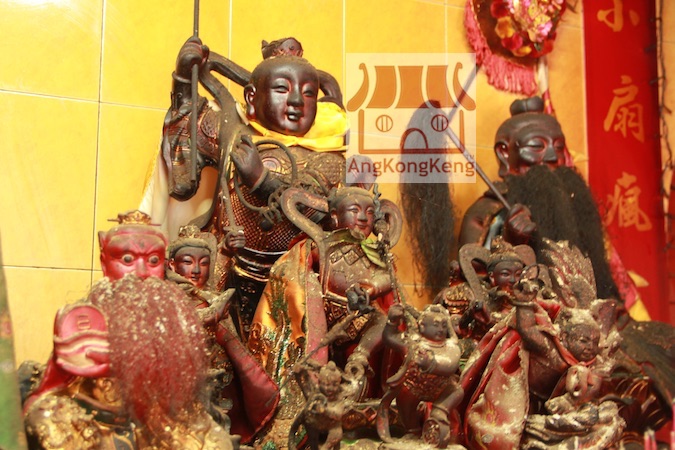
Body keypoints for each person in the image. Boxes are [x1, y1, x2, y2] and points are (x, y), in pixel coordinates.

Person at [142, 37, 349, 341]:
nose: (296, 101)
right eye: (282, 89)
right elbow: (187, 123)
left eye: (308, 93)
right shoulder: (233, 134)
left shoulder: (329, 159)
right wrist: (184, 78)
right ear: (252, 98)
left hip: (292, 285)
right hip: (227, 268)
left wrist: (261, 180)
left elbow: (319, 211)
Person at [377, 304, 463, 448]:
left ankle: (440, 411)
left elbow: (451, 365)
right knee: (404, 399)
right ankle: (412, 430)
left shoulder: (451, 346)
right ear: (422, 326)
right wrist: (392, 321)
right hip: (414, 386)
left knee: (457, 390)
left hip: (442, 388)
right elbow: (390, 338)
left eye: (443, 325)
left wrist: (431, 363)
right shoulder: (412, 342)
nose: (441, 329)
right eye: (435, 325)